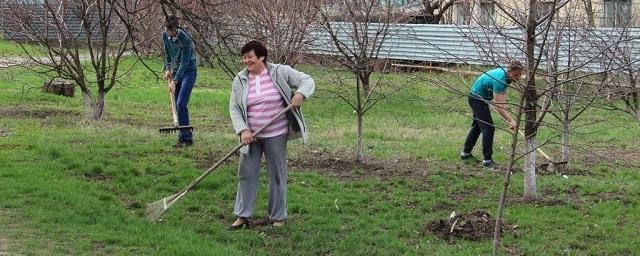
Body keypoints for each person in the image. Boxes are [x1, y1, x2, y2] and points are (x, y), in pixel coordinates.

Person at [228, 40, 315, 229]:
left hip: (276, 133)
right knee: (246, 173)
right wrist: (243, 130)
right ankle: (243, 216)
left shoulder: (280, 72)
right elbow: (234, 107)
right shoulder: (240, 79)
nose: (246, 61)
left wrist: (300, 94)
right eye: (244, 58)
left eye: (250, 57)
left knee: (277, 174)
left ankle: (277, 217)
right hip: (251, 136)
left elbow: (307, 80)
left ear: (262, 56)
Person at [461, 60, 523, 168]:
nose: (517, 78)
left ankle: (465, 154)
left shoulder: (506, 76)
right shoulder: (500, 80)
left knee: (477, 126)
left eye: (519, 75)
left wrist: (508, 118)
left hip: (480, 97)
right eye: (515, 75)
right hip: (477, 98)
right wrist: (511, 120)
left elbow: (501, 102)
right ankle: (487, 160)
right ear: (509, 71)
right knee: (488, 128)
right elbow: (499, 106)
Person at [162, 14, 197, 148]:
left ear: (177, 28)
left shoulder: (185, 39)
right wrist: (167, 69)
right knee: (177, 104)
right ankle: (182, 137)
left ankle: (187, 139)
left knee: (181, 103)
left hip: (189, 71)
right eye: (167, 30)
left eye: (172, 30)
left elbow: (184, 63)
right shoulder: (165, 35)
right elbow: (166, 54)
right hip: (176, 70)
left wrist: (174, 81)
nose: (170, 33)